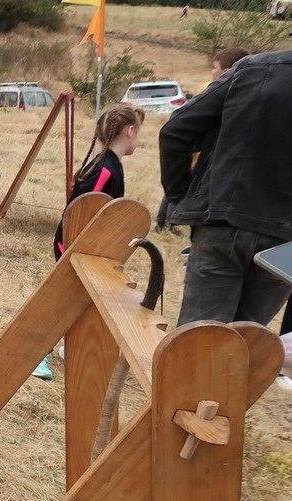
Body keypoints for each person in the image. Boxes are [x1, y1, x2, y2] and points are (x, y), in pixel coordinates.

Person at [162, 49, 292, 325]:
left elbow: (176, 130)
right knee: (245, 347)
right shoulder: (254, 69)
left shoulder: (254, 69)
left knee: (198, 343)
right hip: (284, 245)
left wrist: (181, 195)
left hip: (224, 224)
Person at [155, 47, 249, 232]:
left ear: (227, 72)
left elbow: (175, 131)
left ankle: (170, 221)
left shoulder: (221, 100)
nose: (212, 71)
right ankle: (164, 222)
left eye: (215, 67)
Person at [55, 104, 144, 259]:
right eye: (138, 133)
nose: (139, 140)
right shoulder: (105, 170)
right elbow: (83, 212)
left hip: (86, 249)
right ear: (130, 131)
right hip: (71, 249)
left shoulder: (111, 164)